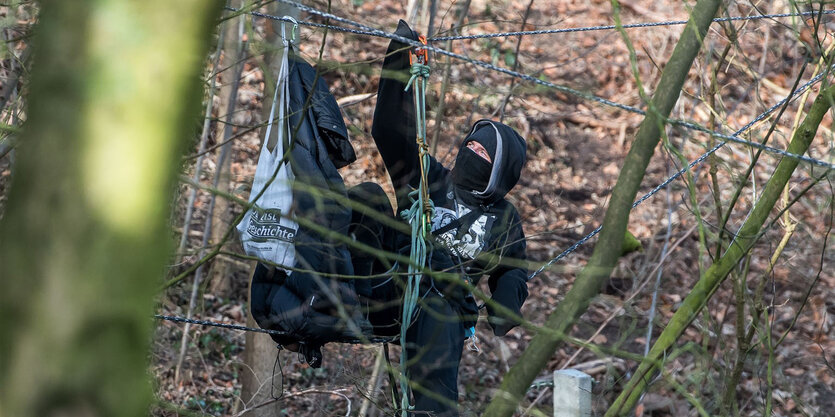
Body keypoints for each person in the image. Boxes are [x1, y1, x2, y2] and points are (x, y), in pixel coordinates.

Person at [345, 20, 531, 417]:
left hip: (439, 309)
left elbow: (513, 270)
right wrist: (400, 58)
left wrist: (504, 309)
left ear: (500, 172)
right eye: (470, 144)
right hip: (389, 286)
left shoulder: (504, 218)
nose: (469, 152)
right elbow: (390, 130)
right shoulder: (430, 178)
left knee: (441, 312)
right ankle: (338, 298)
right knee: (366, 197)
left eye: (482, 154)